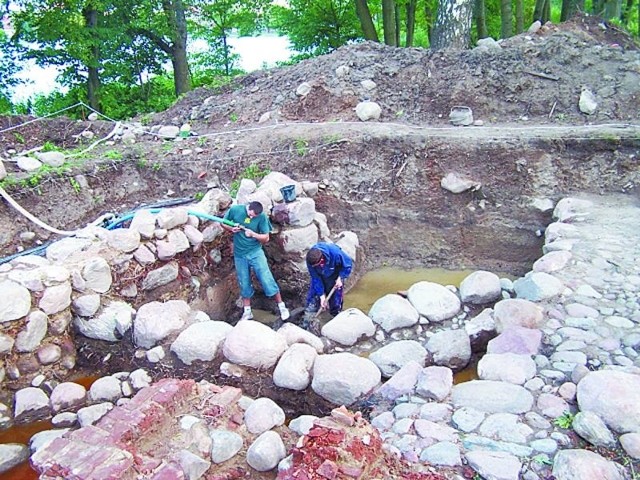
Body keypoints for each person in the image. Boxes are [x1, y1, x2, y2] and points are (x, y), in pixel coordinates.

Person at [222, 201, 290, 322]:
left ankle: (282, 307)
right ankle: (247, 312)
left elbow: (266, 238)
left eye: (254, 216)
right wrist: (231, 228)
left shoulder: (262, 217)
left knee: (266, 278)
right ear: (248, 208)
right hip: (240, 255)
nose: (252, 217)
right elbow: (223, 223)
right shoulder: (235, 210)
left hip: (255, 252)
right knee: (244, 282)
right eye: (251, 214)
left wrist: (253, 234)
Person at [305, 242, 353, 318]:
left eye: (316, 265)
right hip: (320, 277)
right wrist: (321, 296)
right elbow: (315, 277)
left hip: (334, 277)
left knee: (336, 302)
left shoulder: (335, 253)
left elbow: (347, 265)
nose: (313, 267)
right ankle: (309, 319)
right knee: (312, 301)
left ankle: (335, 317)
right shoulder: (310, 259)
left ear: (321, 260)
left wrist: (340, 278)